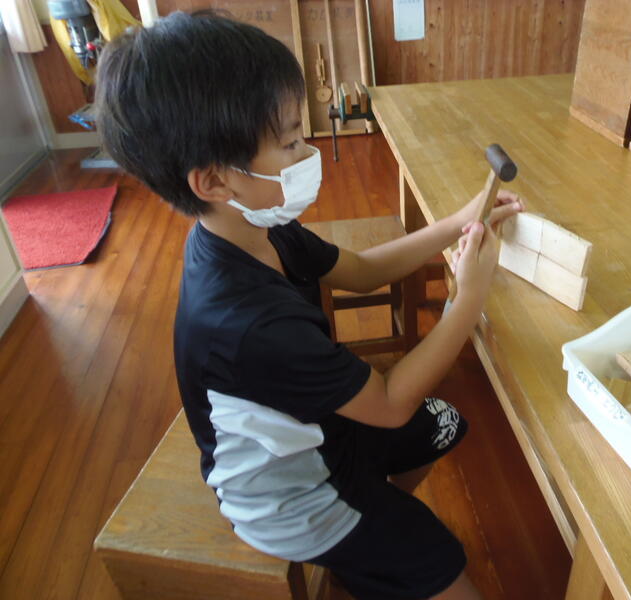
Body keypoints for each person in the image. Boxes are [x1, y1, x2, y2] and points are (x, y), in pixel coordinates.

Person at [95, 11, 523, 600]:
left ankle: (374, 540)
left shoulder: (255, 227)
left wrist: (457, 222)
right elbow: (389, 404)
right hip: (290, 499)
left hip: (320, 433)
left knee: (443, 423)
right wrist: (467, 300)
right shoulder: (248, 323)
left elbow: (364, 270)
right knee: (443, 561)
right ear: (214, 182)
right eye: (290, 141)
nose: (308, 150)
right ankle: (363, 544)